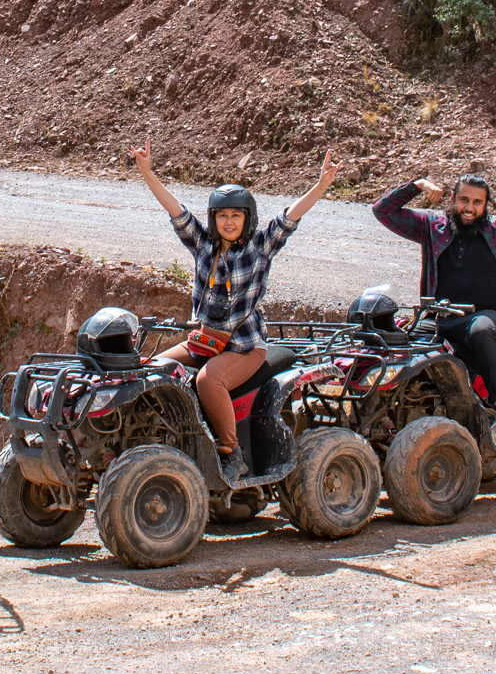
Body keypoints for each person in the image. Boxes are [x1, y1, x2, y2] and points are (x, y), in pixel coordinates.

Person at [130, 143, 340, 479]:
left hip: (244, 346)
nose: (229, 222)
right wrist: (148, 174)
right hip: (204, 341)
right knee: (153, 369)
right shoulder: (202, 245)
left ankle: (230, 453)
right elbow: (176, 212)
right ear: (214, 219)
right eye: (222, 215)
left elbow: (289, 219)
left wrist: (321, 185)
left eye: (236, 215)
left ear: (247, 219)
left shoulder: (259, 248)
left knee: (208, 380)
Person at [371, 172, 496, 442]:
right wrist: (418, 186)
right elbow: (383, 211)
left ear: (486, 206)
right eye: (463, 200)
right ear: (452, 199)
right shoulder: (432, 227)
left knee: (481, 330)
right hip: (441, 317)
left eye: (477, 202)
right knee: (401, 341)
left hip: (489, 317)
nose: (469, 207)